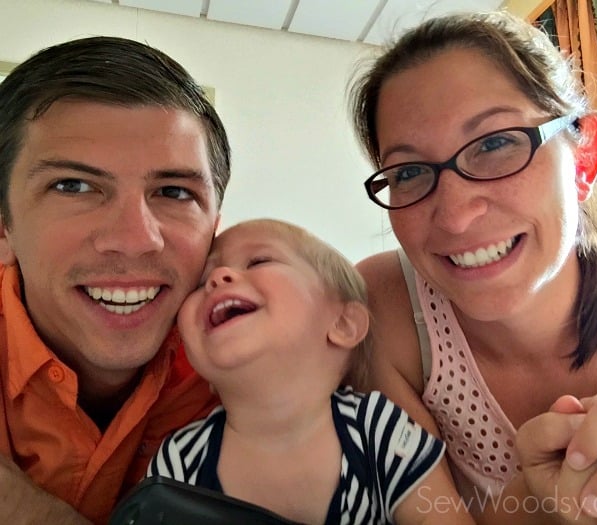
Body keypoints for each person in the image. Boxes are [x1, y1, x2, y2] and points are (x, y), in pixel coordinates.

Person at [348, 10, 597, 525]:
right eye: (409, 172)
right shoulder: (381, 310)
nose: (455, 214)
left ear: (583, 158)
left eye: (495, 143)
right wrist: (532, 499)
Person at [0, 36, 231, 524]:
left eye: (173, 191)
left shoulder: (248, 368)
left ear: (215, 227)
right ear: (4, 226)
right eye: (73, 186)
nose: (134, 239)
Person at [141, 218, 475, 524]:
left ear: (342, 324)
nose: (217, 278)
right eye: (200, 283)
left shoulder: (377, 430)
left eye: (259, 261)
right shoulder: (179, 464)